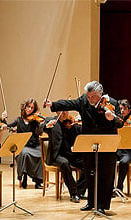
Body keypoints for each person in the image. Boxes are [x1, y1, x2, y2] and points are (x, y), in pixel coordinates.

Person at [43, 81, 123, 215]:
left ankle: (102, 205)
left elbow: (120, 122)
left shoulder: (112, 103)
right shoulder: (84, 100)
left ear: (100, 94)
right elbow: (70, 103)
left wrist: (112, 119)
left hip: (107, 144)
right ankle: (91, 202)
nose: (90, 99)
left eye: (93, 96)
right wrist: (53, 104)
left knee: (105, 175)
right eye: (88, 96)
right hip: (89, 142)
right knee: (89, 173)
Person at [43, 111, 86, 203]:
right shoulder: (51, 121)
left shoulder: (72, 124)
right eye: (61, 111)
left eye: (66, 111)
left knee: (89, 164)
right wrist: (46, 126)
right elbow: (39, 128)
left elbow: (83, 132)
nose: (64, 114)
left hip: (71, 155)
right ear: (57, 112)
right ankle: (73, 193)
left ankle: (79, 191)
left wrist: (80, 124)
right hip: (57, 155)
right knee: (64, 163)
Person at [1, 98, 43, 189]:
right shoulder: (19, 120)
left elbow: (39, 133)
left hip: (35, 145)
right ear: (24, 107)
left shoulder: (36, 121)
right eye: (28, 107)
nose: (30, 109)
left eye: (32, 108)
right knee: (24, 153)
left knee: (40, 155)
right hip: (23, 146)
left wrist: (41, 124)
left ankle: (38, 181)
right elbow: (7, 126)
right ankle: (24, 176)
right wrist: (3, 119)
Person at [115, 99, 131, 194]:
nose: (122, 111)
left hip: (128, 150)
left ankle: (119, 187)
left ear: (129, 110)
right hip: (117, 148)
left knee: (124, 162)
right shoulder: (116, 119)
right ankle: (109, 188)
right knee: (107, 160)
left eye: (124, 109)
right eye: (120, 109)